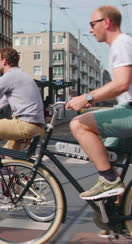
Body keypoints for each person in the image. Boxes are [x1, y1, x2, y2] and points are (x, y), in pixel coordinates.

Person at [66, 5, 130, 201]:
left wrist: (87, 97)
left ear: (107, 22)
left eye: (93, 24)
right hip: (125, 109)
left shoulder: (121, 43)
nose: (90, 30)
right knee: (107, 158)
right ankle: (116, 216)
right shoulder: (121, 45)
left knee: (79, 124)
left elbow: (121, 84)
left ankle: (110, 181)